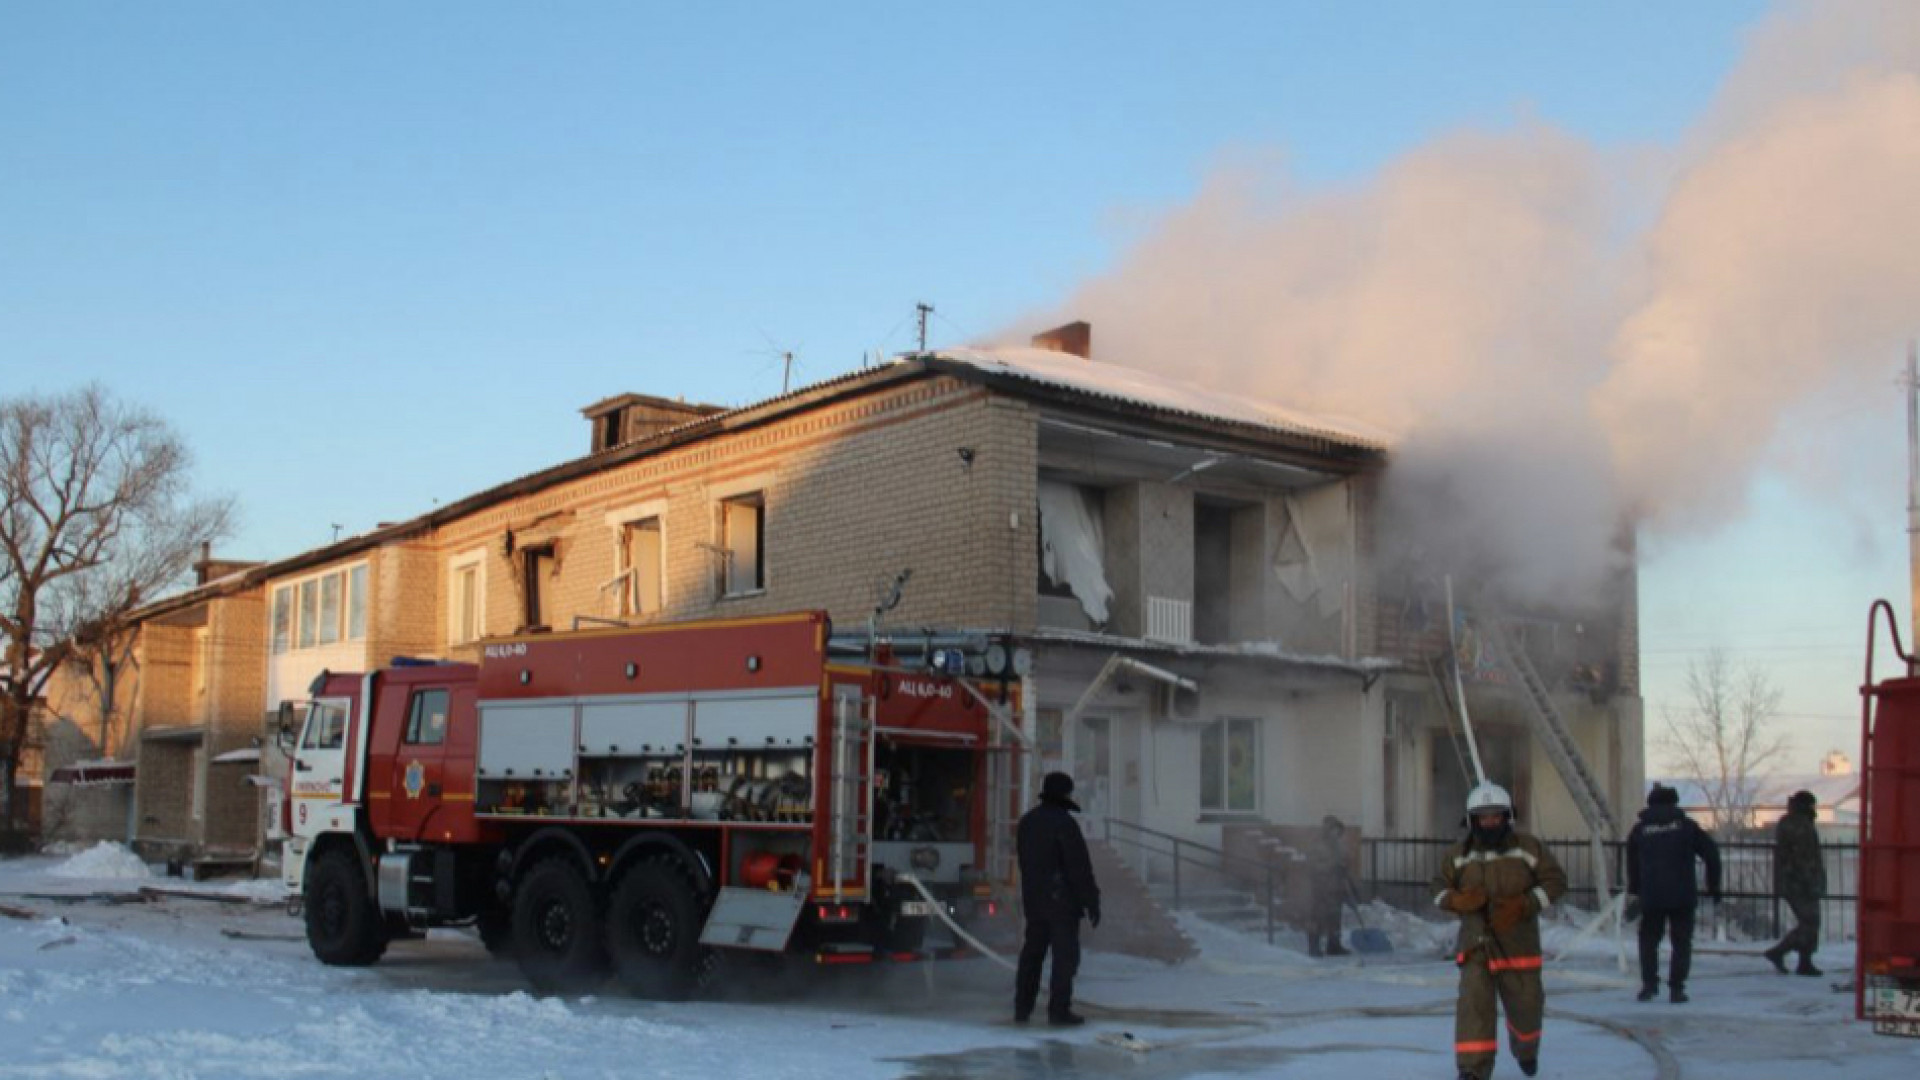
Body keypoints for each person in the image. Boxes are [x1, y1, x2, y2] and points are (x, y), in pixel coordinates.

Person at [1432, 782, 1567, 1080]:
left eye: (1496, 816)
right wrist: (1456, 900)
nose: (1490, 822)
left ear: (1507, 817)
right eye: (1483, 817)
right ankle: (1472, 1070)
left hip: (1519, 947)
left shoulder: (1529, 849)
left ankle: (1526, 1050)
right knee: (1474, 1008)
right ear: (1472, 820)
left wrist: (1525, 903)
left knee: (1527, 1009)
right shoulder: (1457, 855)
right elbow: (1438, 888)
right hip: (1476, 946)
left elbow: (1555, 881)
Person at [1014, 771, 1101, 1026]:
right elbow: (1078, 867)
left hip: (1034, 900)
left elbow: (1024, 862)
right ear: (1065, 795)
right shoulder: (1064, 824)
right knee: (1065, 958)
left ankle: (1022, 1008)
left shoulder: (1027, 822)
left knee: (1032, 954)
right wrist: (1091, 899)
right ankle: (1059, 1010)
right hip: (1062, 903)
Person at [1626, 783, 1721, 1003]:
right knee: (1681, 942)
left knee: (1649, 940)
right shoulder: (1687, 828)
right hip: (1682, 895)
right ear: (1674, 803)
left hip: (1651, 896)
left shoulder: (1639, 831)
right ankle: (1677, 988)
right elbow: (1711, 853)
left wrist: (1635, 891)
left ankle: (1649, 985)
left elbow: (1632, 863)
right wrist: (1713, 885)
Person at [1764, 789, 1826, 977]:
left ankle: (1804, 961)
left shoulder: (1792, 822)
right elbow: (1803, 858)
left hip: (1795, 881)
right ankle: (1779, 952)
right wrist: (1811, 881)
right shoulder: (1799, 825)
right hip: (1800, 883)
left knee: (1810, 922)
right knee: (1810, 921)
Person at [1306, 815, 1352, 957]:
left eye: (1338, 831)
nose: (1336, 833)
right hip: (1321, 887)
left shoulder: (1338, 844)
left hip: (1336, 886)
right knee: (1317, 918)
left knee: (1335, 918)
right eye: (1334, 830)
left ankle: (1334, 945)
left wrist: (1343, 866)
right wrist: (1331, 866)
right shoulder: (1317, 844)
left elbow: (1343, 859)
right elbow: (1313, 865)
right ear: (1328, 829)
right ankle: (1314, 947)